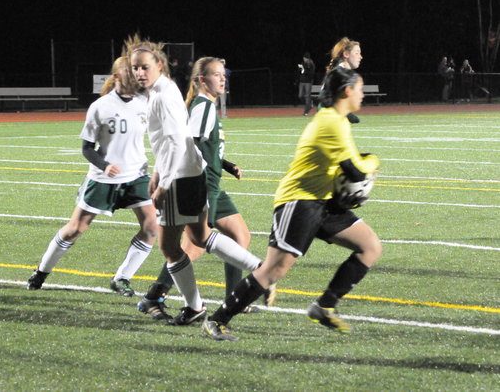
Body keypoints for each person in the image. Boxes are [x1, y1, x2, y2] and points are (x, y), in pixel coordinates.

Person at [203, 67, 381, 341]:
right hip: (298, 201)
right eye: (360, 89)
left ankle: (325, 306)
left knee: (370, 247)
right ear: (347, 91)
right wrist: (374, 162)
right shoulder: (330, 123)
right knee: (274, 270)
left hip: (322, 201)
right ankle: (217, 320)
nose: (363, 95)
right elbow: (356, 171)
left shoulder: (338, 120)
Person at [127, 36, 261, 326]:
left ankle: (241, 289)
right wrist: (161, 176)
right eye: (135, 68)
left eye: (143, 67)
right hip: (196, 179)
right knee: (194, 243)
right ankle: (252, 280)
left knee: (204, 241)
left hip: (193, 178)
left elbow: (183, 143)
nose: (138, 72)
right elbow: (186, 142)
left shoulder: (168, 95)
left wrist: (165, 180)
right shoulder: (180, 98)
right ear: (202, 79)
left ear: (158, 64)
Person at [26, 56, 158, 297]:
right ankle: (42, 271)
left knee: (151, 227)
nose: (136, 76)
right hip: (103, 179)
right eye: (130, 72)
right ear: (117, 77)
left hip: (137, 176)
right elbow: (87, 148)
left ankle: (121, 278)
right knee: (75, 229)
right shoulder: (100, 106)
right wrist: (104, 165)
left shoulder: (144, 102)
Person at [319, 38, 362, 123]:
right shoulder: (339, 73)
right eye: (357, 53)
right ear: (346, 54)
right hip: (327, 112)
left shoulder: (343, 72)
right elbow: (324, 97)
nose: (360, 57)